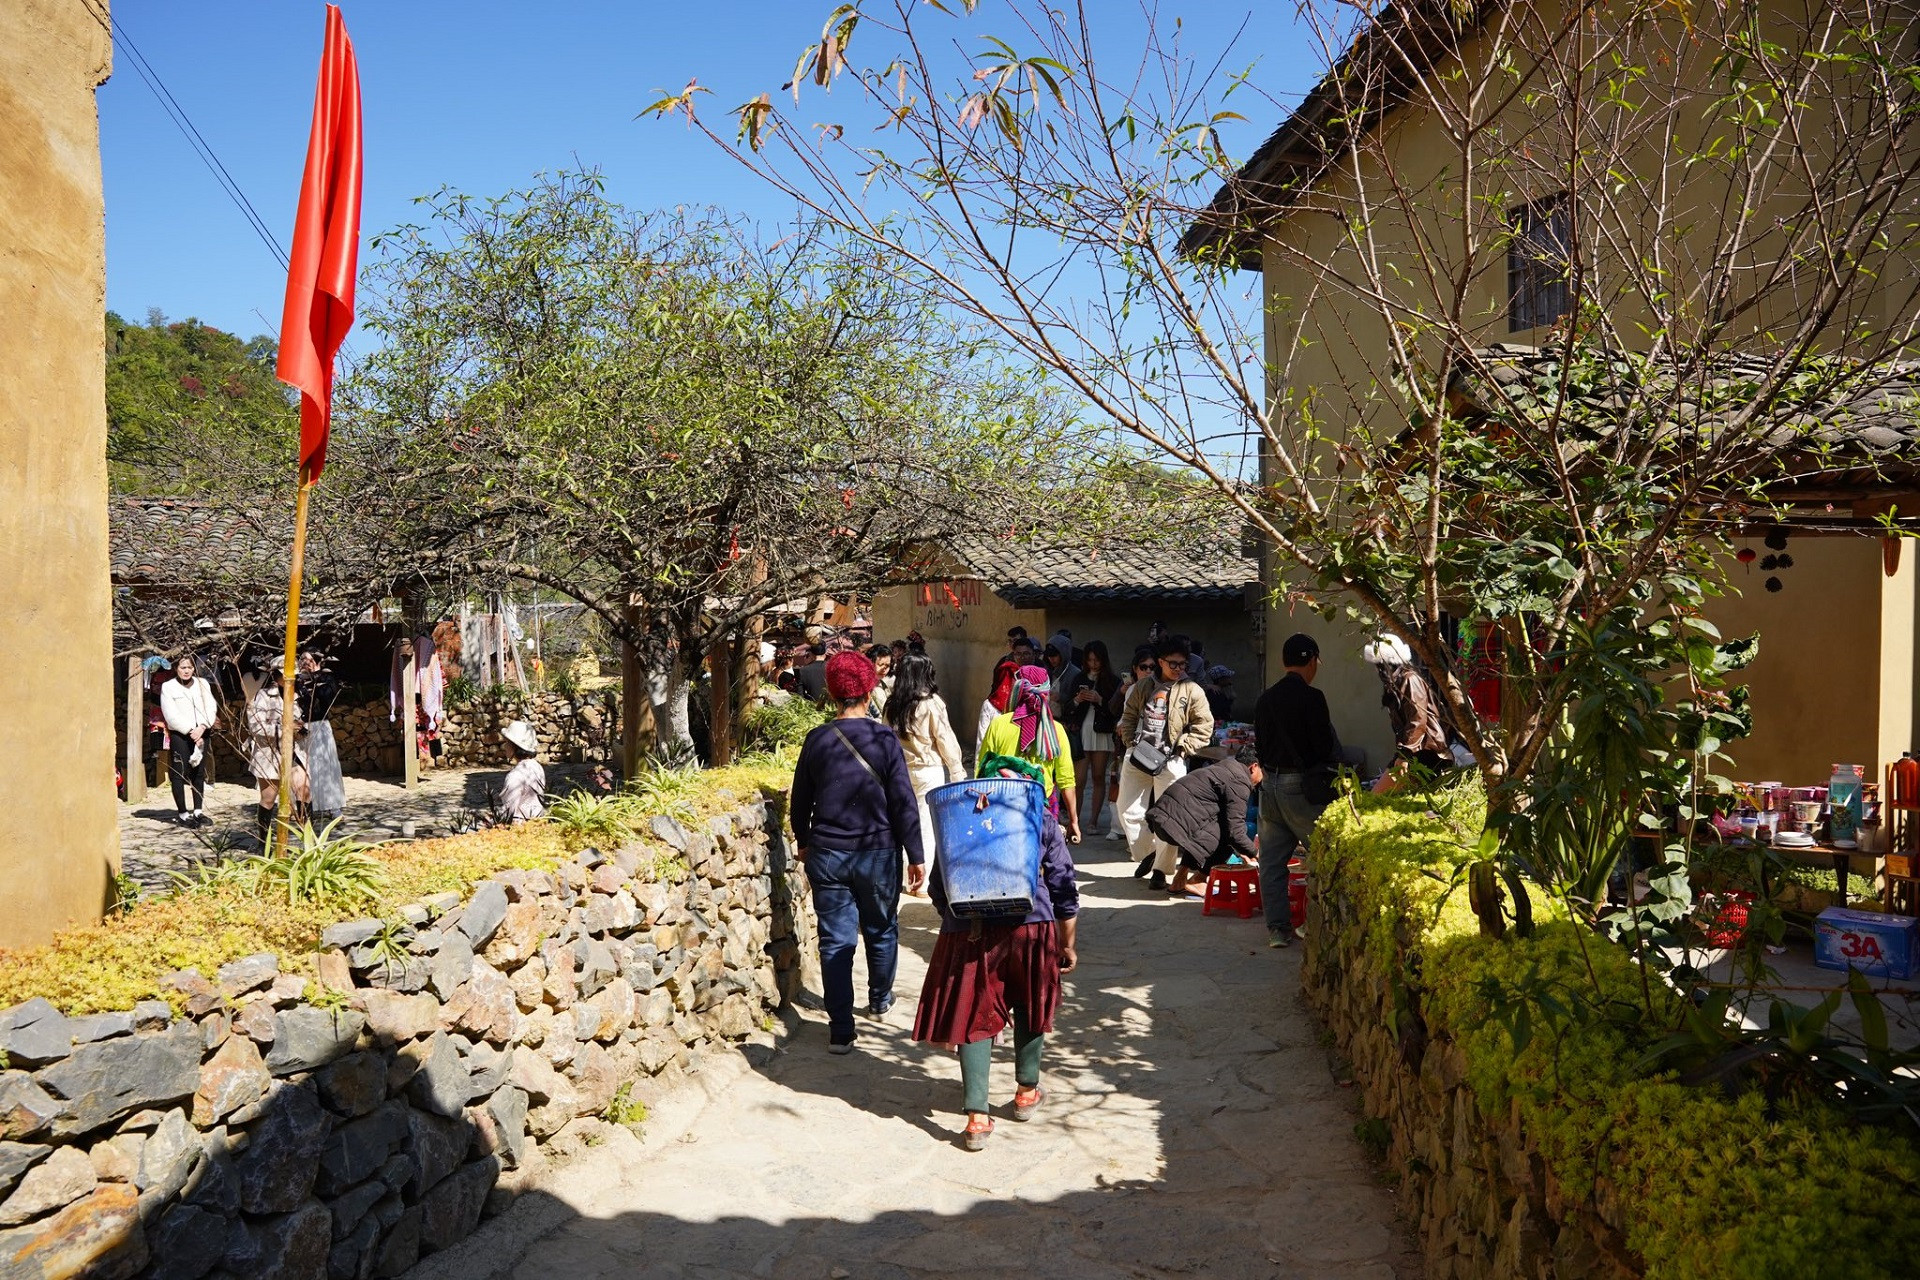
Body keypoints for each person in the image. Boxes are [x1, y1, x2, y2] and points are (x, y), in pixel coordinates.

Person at [913, 765, 1080, 1151]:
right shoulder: (1039, 815)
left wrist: (960, 920)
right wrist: (1067, 942)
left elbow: (939, 887)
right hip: (1032, 925)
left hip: (968, 927)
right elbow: (1062, 882)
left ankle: (976, 1118)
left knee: (975, 1012)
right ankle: (1026, 1092)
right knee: (1031, 1002)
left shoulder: (958, 816)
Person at [788, 651, 927, 1053]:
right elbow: (903, 801)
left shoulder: (817, 739)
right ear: (869, 691)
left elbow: (801, 799)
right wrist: (916, 854)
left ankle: (840, 1029)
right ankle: (880, 1000)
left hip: (828, 853)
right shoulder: (884, 739)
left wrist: (803, 840)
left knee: (835, 941)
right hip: (877, 852)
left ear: (832, 694)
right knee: (881, 929)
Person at [1254, 633, 1343, 948]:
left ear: (1283, 661)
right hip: (1300, 788)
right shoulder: (1313, 698)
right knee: (1325, 856)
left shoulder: (1265, 699)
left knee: (1271, 863)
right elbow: (1323, 747)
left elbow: (1259, 745)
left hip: (1269, 785)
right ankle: (1314, 925)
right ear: (1313, 660)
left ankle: (1278, 930)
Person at [1115, 636, 1216, 888]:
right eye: (1173, 663)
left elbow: (1205, 726)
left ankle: (1160, 871)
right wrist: (1130, 741)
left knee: (1168, 817)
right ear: (1160, 662)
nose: (1179, 669)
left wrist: (1183, 748)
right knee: (1126, 809)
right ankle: (1149, 852)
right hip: (1139, 754)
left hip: (1172, 759)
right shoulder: (1142, 686)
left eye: (1183, 664)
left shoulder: (1192, 690)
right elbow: (1129, 716)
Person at [977, 664, 1081, 841]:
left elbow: (983, 770)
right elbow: (1066, 780)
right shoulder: (1055, 730)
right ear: (1046, 693)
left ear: (1016, 691)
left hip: (1003, 807)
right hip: (1043, 809)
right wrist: (1074, 821)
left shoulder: (998, 725)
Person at [1146, 744, 1264, 898]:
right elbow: (1235, 832)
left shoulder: (1224, 767)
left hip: (1162, 819)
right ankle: (1199, 880)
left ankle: (1179, 880)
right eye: (1263, 771)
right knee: (1228, 836)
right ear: (1254, 767)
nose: (1264, 777)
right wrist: (1256, 853)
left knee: (1209, 829)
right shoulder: (1240, 780)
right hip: (1176, 824)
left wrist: (1244, 851)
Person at [884, 653, 966, 861]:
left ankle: (903, 870)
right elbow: (944, 738)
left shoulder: (891, 703)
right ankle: (922, 875)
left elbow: (886, 738)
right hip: (928, 770)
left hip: (899, 770)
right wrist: (957, 772)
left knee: (901, 820)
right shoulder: (932, 703)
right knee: (926, 826)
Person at [1363, 634, 1450, 782]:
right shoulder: (1397, 683)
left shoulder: (1410, 679)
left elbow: (1418, 719)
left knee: (1380, 792)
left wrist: (1405, 755)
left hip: (1425, 752)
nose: (1376, 670)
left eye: (1377, 665)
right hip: (1413, 751)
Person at [1066, 640, 1121, 837]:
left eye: (1097, 660)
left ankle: (1093, 821)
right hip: (1081, 732)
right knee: (1078, 780)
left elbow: (1115, 710)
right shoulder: (1079, 678)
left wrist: (1100, 700)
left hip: (1102, 733)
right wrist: (1077, 700)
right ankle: (1074, 820)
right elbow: (1067, 708)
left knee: (1098, 777)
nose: (1093, 664)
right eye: (1090, 660)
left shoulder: (1112, 681)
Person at [243, 673, 304, 846]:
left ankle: (307, 839)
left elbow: (305, 720)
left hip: (295, 751)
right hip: (268, 752)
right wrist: (285, 728)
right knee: (269, 798)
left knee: (304, 791)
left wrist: (301, 729)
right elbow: (256, 727)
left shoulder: (299, 694)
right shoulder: (263, 696)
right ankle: (264, 842)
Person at [159, 655, 218, 825]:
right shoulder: (168, 687)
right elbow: (170, 714)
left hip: (202, 732)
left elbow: (211, 707)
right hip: (181, 734)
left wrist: (203, 726)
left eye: (190, 667)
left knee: (198, 772)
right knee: (179, 772)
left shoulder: (203, 684)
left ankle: (198, 811)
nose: (186, 671)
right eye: (183, 667)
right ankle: (183, 813)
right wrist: (190, 730)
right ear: (176, 668)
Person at [296, 651, 345, 823]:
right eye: (302, 659)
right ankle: (304, 805)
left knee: (326, 766)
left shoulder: (326, 678)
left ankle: (333, 806)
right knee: (303, 767)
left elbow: (326, 698)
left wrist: (316, 678)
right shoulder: (297, 680)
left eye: (308, 659)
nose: (304, 662)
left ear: (317, 661)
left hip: (319, 725)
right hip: (300, 726)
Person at [499, 720, 547, 822]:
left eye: (507, 743)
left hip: (520, 824)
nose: (505, 747)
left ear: (515, 747)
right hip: (538, 820)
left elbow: (509, 811)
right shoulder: (537, 767)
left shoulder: (515, 775)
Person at [976, 657, 1021, 752]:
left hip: (994, 757)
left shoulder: (989, 705)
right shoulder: (1023, 706)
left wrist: (980, 761)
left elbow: (982, 739)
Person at [866, 644, 895, 719]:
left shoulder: (883, 685)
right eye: (880, 664)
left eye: (887, 665)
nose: (884, 669)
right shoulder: (865, 688)